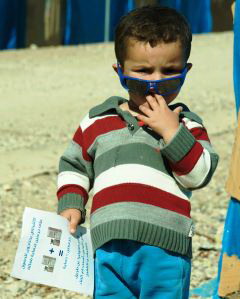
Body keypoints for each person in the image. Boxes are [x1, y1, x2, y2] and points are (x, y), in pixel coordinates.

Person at [57, 5, 219, 299]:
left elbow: (199, 175)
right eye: (142, 72)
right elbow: (75, 165)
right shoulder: (98, 120)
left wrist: (171, 131)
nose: (155, 83)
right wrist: (71, 204)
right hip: (107, 246)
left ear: (186, 70)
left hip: (165, 250)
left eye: (169, 73)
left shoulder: (187, 124)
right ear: (120, 71)